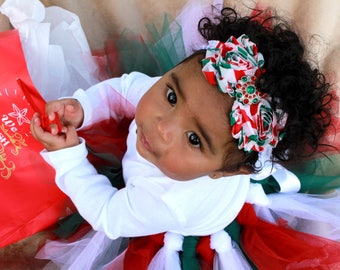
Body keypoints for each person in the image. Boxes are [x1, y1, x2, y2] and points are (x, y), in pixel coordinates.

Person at [31, 6, 339, 270]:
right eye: (172, 96)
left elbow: (107, 214)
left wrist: (69, 157)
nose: (162, 126)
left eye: (194, 139)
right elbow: (125, 89)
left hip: (190, 220)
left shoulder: (168, 201)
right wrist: (84, 107)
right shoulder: (174, 97)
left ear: (225, 171)